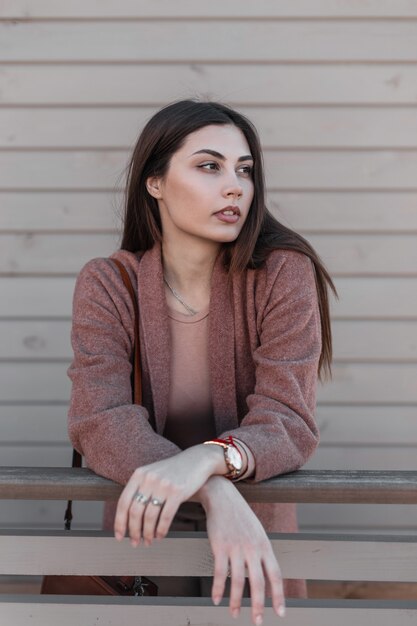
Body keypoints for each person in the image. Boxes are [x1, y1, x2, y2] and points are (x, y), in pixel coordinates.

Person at [67, 99, 335, 626]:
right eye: (209, 166)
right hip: (143, 526)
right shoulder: (107, 283)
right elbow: (99, 419)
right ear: (155, 183)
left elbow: (287, 419)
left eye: (244, 170)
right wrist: (212, 483)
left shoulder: (283, 274)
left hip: (251, 529)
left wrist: (206, 460)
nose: (234, 185)